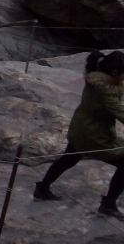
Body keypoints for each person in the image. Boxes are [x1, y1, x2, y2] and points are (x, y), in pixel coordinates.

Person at [33, 50, 124, 219]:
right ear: (114, 72)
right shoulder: (107, 89)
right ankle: (108, 205)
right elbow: (119, 111)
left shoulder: (95, 75)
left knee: (69, 158)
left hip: (80, 128)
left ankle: (42, 188)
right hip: (93, 136)